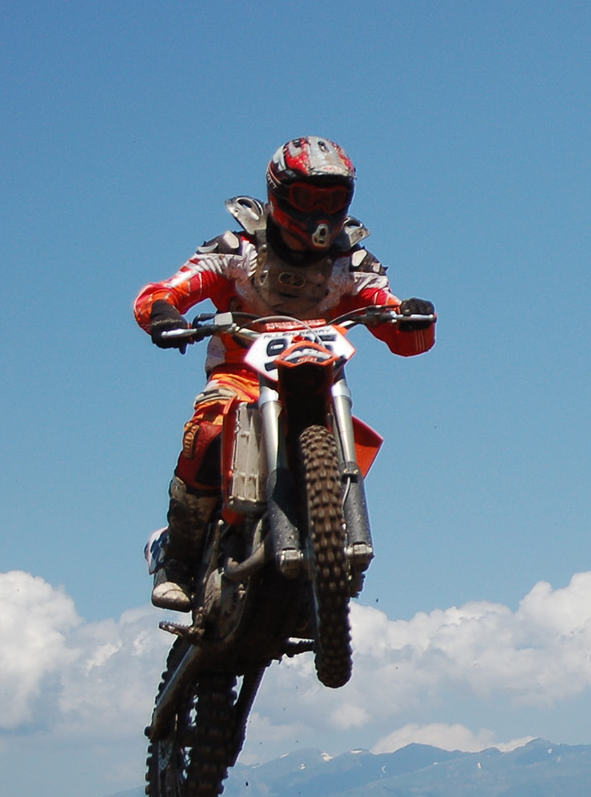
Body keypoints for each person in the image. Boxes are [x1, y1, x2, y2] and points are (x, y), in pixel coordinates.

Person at [133, 136, 435, 615]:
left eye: (331, 200)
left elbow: (398, 325)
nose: (319, 212)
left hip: (316, 380)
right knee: (208, 432)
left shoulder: (351, 262)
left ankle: (326, 549)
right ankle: (178, 556)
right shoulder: (238, 248)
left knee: (354, 435)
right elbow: (169, 290)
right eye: (307, 198)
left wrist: (410, 315)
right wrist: (166, 312)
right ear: (279, 193)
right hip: (240, 376)